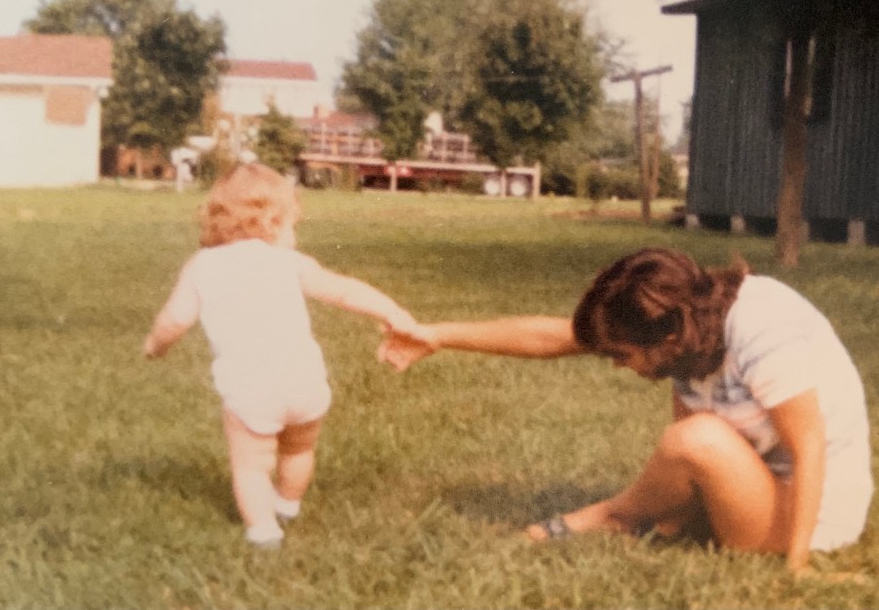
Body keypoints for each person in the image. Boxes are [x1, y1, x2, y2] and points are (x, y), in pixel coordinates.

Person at [378, 248, 873, 573]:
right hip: (760, 489)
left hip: (815, 515)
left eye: (622, 356)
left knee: (695, 437)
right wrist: (437, 335)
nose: (617, 367)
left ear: (669, 335)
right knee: (693, 437)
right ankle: (646, 517)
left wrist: (794, 571)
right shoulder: (684, 319)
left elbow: (809, 449)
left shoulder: (762, 328)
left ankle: (615, 515)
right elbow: (554, 336)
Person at [144, 163, 423, 548]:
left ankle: (263, 530)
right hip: (305, 384)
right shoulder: (290, 263)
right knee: (299, 450)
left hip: (251, 390)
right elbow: (343, 290)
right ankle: (288, 504)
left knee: (251, 465)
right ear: (273, 222)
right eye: (293, 224)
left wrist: (154, 347)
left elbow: (174, 320)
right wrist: (393, 312)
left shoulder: (202, 267)